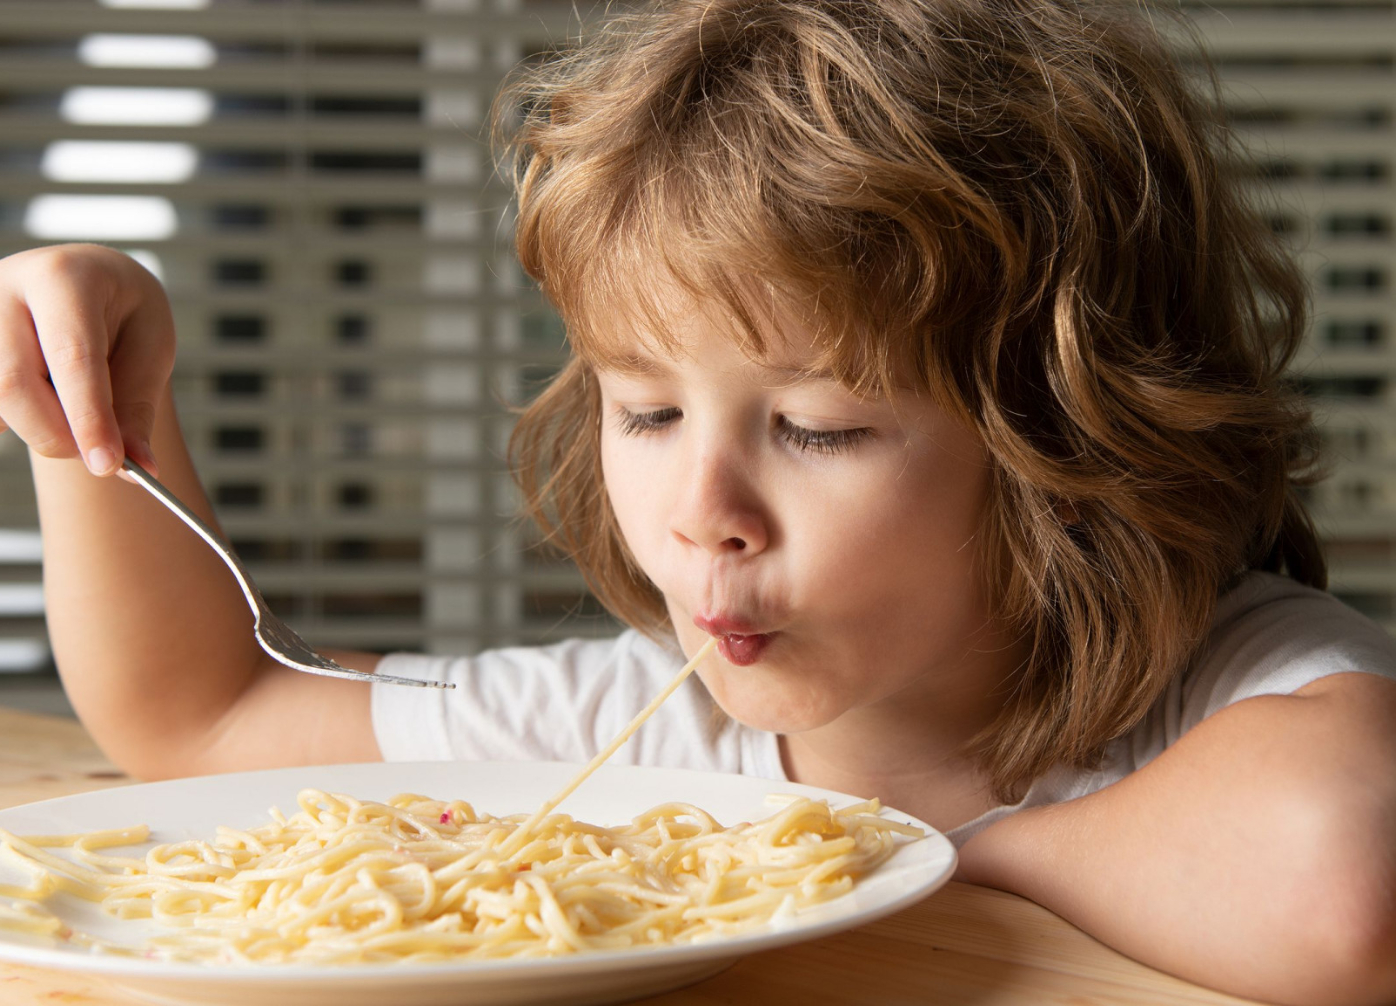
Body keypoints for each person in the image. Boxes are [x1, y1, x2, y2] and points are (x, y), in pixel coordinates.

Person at [1, 0, 1393, 1000]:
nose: (699, 508)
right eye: (649, 410)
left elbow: (1350, 876)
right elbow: (203, 715)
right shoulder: (633, 732)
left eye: (817, 425)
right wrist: (91, 424)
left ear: (1069, 453)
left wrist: (929, 850)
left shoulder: (1231, 680)